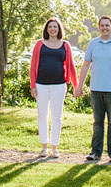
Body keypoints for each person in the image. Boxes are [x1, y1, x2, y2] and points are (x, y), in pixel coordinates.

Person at [74, 15, 111, 164]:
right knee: (97, 122)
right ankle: (95, 152)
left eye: (107, 25)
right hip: (96, 90)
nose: (104, 28)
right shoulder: (93, 43)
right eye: (102, 25)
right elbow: (85, 65)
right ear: (99, 27)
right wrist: (80, 85)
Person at [29, 18, 78, 158]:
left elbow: (71, 66)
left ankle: (54, 148)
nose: (52, 29)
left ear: (58, 29)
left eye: (55, 27)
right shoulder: (40, 44)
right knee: (42, 115)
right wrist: (33, 86)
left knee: (57, 116)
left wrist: (76, 85)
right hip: (41, 85)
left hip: (59, 85)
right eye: (50, 27)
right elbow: (33, 66)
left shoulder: (66, 45)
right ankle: (44, 147)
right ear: (46, 29)